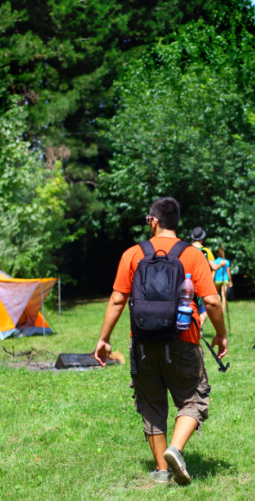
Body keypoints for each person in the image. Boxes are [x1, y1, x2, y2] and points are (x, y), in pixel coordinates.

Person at [94, 198, 228, 486]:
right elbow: (213, 302)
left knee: (152, 404)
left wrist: (104, 340)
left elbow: (118, 299)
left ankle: (161, 472)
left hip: (142, 342)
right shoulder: (192, 255)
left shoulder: (133, 253)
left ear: (153, 221)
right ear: (175, 222)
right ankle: (175, 450)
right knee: (193, 398)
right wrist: (221, 333)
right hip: (183, 340)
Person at [190, 227, 220, 327]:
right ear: (202, 239)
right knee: (203, 311)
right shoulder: (206, 251)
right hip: (202, 285)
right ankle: (198, 330)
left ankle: (192, 329)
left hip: (188, 284)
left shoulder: (187, 249)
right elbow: (214, 267)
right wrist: (222, 263)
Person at [213, 246, 233, 312]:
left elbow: (214, 271)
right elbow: (228, 272)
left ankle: (218, 308)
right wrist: (230, 281)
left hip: (217, 280)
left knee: (217, 294)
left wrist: (211, 280)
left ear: (217, 254)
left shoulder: (215, 262)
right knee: (223, 294)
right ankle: (223, 309)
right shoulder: (226, 261)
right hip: (225, 279)